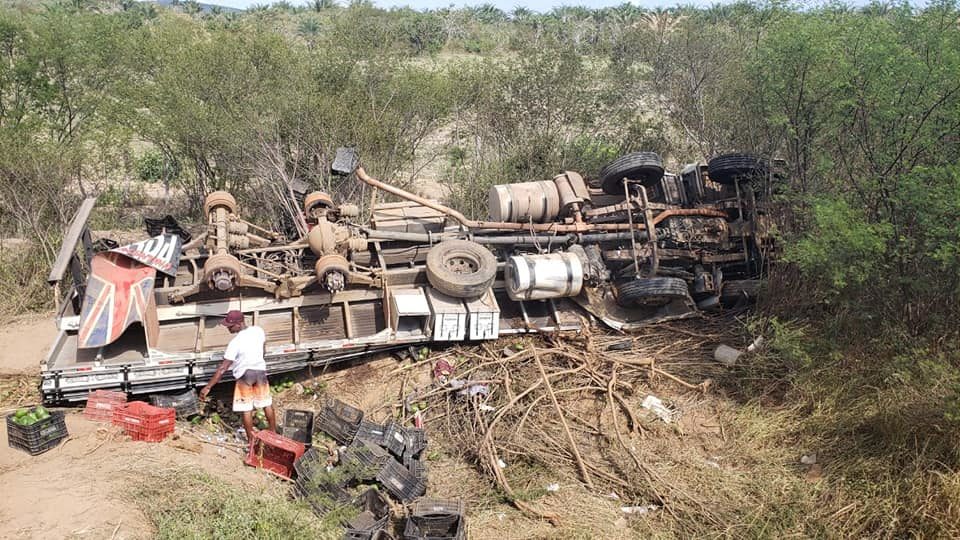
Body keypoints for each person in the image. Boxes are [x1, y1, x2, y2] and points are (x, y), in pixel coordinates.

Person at [199, 310, 276, 446]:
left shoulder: (235, 343)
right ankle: (273, 433)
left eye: (230, 325)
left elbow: (223, 368)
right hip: (260, 372)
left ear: (239, 324)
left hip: (245, 376)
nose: (228, 328)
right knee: (266, 404)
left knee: (246, 409)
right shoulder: (258, 331)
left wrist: (208, 387)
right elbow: (264, 349)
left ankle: (251, 441)